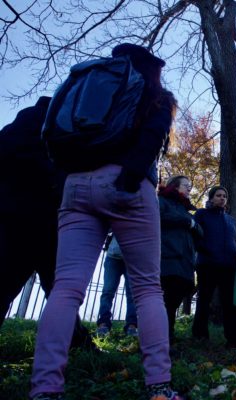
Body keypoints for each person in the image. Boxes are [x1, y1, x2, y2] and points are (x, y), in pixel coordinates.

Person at [29, 44, 182, 400]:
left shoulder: (91, 86)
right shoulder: (155, 95)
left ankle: (45, 389)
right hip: (128, 185)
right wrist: (130, 178)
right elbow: (152, 138)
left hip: (77, 185)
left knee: (66, 288)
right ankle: (159, 386)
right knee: (147, 289)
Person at [0, 96, 92, 350]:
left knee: (60, 286)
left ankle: (78, 341)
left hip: (48, 219)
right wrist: (54, 177)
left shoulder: (58, 125)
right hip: (23, 215)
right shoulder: (36, 119)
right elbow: (9, 151)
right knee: (12, 279)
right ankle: (79, 342)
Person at [192, 186, 236, 348]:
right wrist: (205, 249)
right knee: (204, 300)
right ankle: (200, 336)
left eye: (224, 196)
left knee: (229, 303)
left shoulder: (230, 220)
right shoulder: (202, 214)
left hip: (228, 267)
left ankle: (234, 339)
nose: (222, 198)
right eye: (218, 195)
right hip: (207, 265)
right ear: (211, 198)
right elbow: (194, 236)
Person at [159, 175, 202, 344]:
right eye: (186, 185)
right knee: (166, 297)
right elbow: (158, 217)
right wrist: (185, 221)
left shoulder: (186, 210)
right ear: (175, 186)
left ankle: (167, 333)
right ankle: (162, 336)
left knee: (175, 298)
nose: (189, 188)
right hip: (168, 256)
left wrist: (192, 224)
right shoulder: (162, 201)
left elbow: (200, 232)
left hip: (185, 261)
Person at [96, 235, 138, 337]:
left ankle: (131, 325)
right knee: (108, 291)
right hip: (114, 256)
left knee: (131, 294)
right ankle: (104, 323)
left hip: (130, 257)